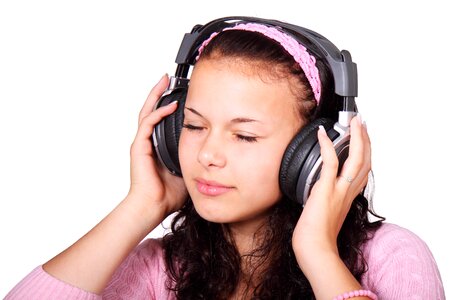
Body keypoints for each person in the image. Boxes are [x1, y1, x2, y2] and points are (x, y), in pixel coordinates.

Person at [5, 16, 445, 300]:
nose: (208, 154)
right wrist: (142, 206)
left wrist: (318, 255)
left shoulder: (394, 257)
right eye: (193, 126)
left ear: (315, 150)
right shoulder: (161, 270)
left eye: (245, 135)